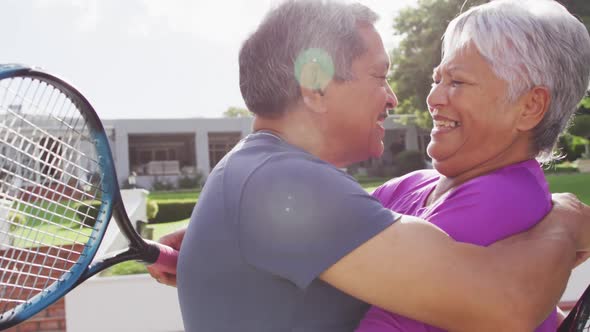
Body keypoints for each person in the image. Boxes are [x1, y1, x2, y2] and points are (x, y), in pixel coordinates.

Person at [148, 1, 590, 331]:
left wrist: (232, 236)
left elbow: (357, 230)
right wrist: (566, 221)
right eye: (380, 76)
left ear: (530, 107)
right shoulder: (281, 183)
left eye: (457, 82)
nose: (404, 98)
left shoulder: (262, 176)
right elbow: (505, 302)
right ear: (315, 85)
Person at [355, 0, 590, 331]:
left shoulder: (501, 201)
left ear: (529, 106)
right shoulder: (414, 184)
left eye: (457, 82)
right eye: (437, 79)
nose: (433, 98)